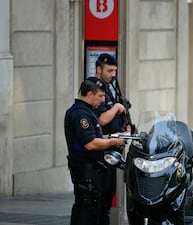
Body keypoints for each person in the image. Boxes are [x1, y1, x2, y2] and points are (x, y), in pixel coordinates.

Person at [64, 80, 126, 225]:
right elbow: (91, 143)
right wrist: (112, 142)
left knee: (92, 207)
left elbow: (95, 137)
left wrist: (113, 136)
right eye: (100, 96)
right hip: (86, 170)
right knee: (87, 209)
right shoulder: (81, 114)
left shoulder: (87, 111)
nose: (103, 100)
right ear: (90, 94)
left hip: (92, 169)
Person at [86, 53, 131, 224]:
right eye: (109, 70)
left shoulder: (110, 88)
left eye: (115, 71)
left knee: (107, 197)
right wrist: (118, 107)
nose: (113, 74)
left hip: (112, 149)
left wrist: (124, 127)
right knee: (100, 199)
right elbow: (103, 118)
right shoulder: (95, 87)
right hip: (102, 150)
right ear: (99, 69)